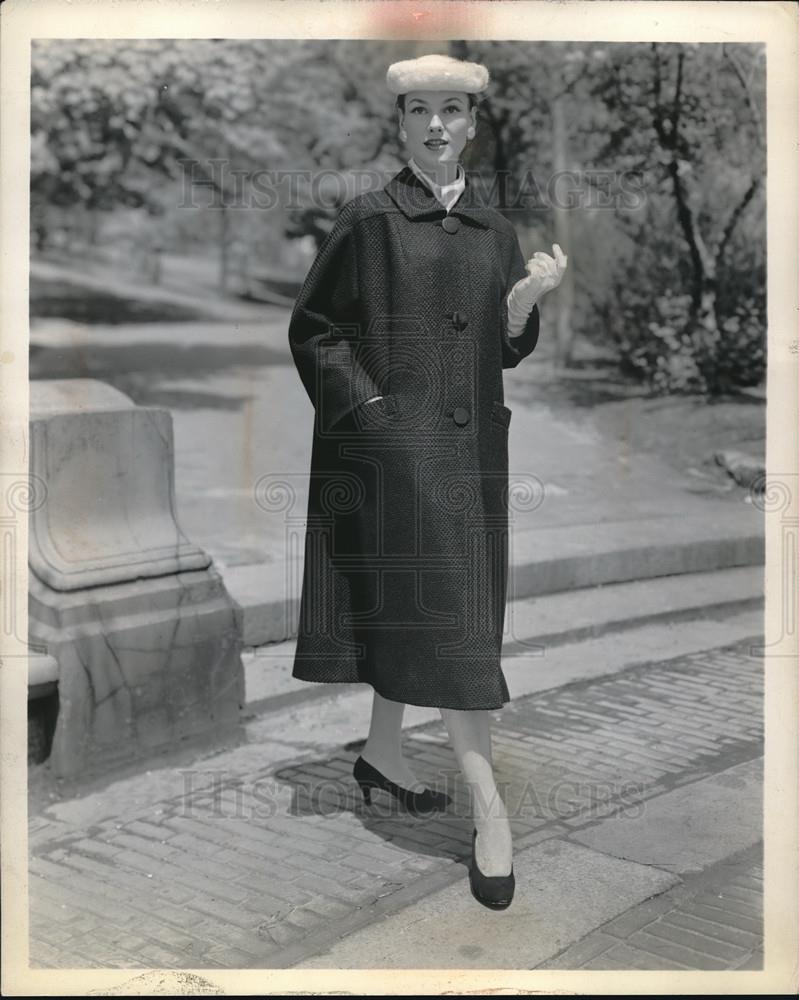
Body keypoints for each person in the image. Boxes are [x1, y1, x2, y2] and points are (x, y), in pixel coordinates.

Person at [288, 53, 567, 909]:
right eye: (421, 111)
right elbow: (315, 331)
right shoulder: (369, 219)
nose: (438, 125)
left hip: (474, 455)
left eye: (453, 111)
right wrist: (373, 416)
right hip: (397, 459)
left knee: (432, 607)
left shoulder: (493, 226)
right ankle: (489, 812)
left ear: (473, 124)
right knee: (452, 623)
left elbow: (501, 349)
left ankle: (383, 756)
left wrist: (523, 302)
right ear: (401, 122)